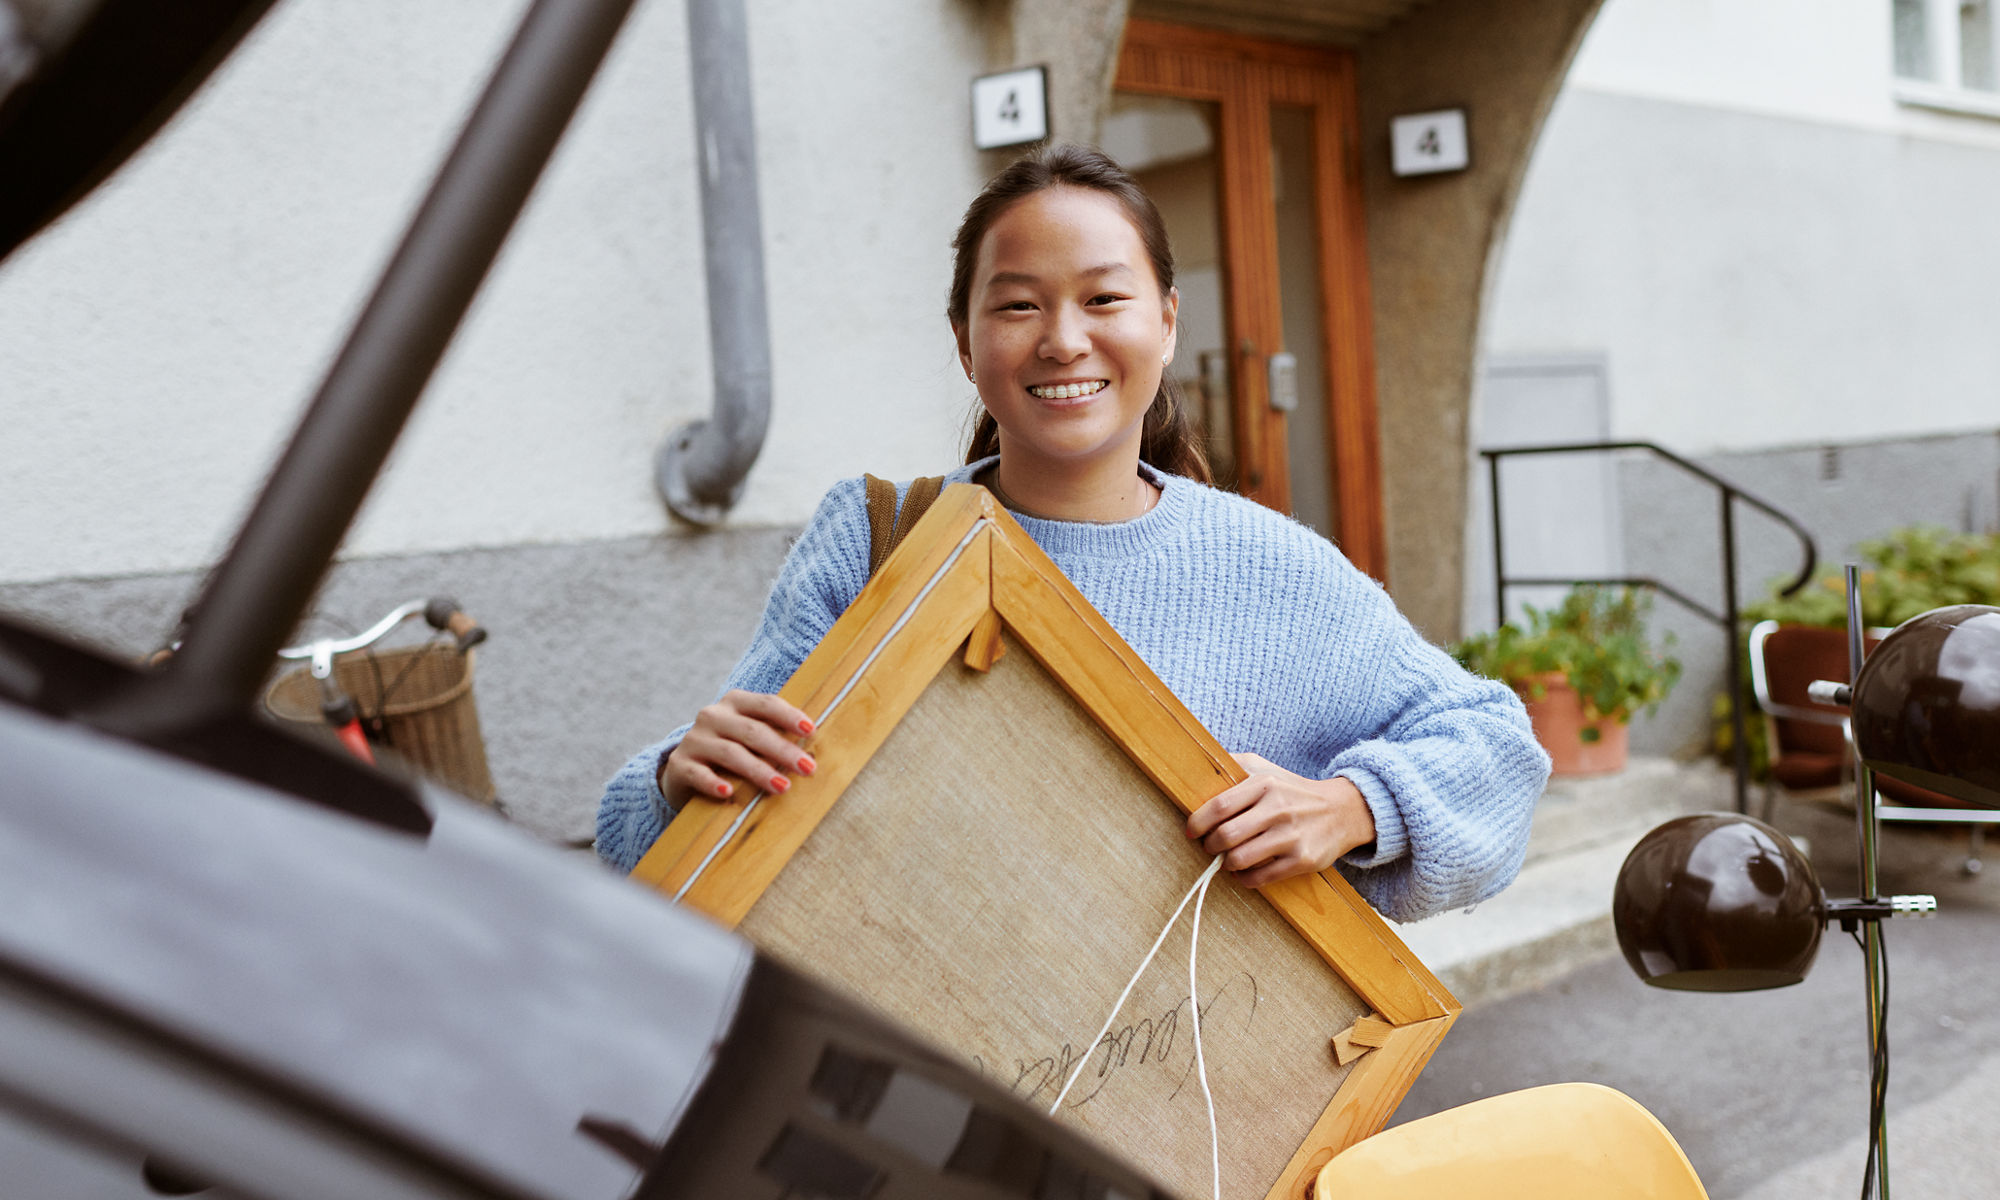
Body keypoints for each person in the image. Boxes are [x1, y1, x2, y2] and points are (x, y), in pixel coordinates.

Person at [596, 144, 1549, 923]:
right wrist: (682, 776)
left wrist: (1353, 806)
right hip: (904, 1082)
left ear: (1167, 325)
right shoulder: (877, 540)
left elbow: (1499, 750)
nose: (1062, 339)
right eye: (1017, 303)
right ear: (965, 343)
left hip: (1193, 1109)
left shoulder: (1273, 568)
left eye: (1104, 299)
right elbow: (654, 841)